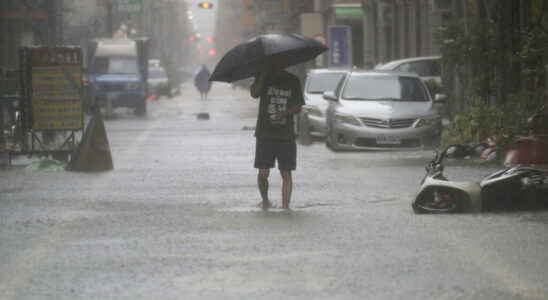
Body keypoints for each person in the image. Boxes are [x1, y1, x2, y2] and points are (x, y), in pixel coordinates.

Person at [250, 54, 304, 209]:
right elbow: (254, 93)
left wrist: (284, 113)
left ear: (285, 62)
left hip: (285, 135)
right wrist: (262, 74)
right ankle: (265, 200)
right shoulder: (264, 77)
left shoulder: (293, 80)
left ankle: (285, 207)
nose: (279, 63)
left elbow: (299, 106)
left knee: (286, 173)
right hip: (265, 133)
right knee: (263, 173)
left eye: (282, 60)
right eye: (275, 60)